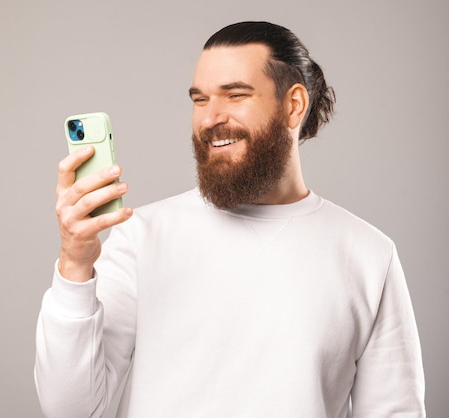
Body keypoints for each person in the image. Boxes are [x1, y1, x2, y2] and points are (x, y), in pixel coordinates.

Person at [35, 21, 426, 417]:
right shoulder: (141, 237)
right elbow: (70, 411)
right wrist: (75, 264)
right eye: (199, 99)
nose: (209, 119)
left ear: (293, 106)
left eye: (235, 95)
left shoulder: (368, 254)